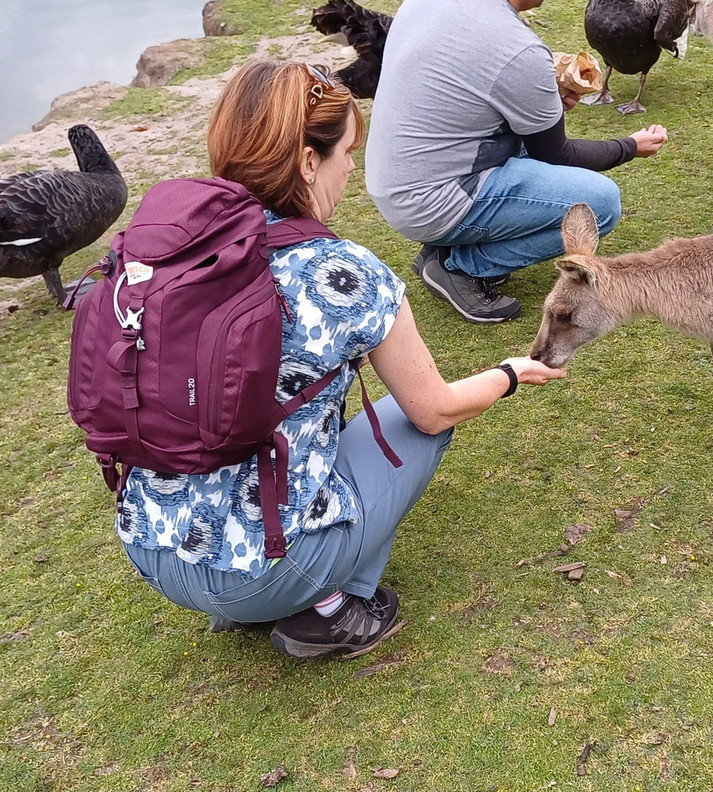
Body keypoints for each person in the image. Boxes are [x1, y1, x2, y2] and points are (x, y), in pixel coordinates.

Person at [117, 59, 565, 660]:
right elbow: (434, 411)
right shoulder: (345, 272)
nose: (351, 168)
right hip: (264, 573)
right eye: (346, 152)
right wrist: (508, 374)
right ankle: (330, 609)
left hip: (154, 549)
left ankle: (250, 592)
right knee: (417, 426)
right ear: (308, 161)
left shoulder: (159, 252)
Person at [364, 0, 669, 324]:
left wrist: (536, 97)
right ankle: (464, 266)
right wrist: (629, 146)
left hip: (395, 178)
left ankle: (445, 244)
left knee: (529, 146)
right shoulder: (517, 49)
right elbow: (557, 155)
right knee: (599, 204)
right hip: (432, 199)